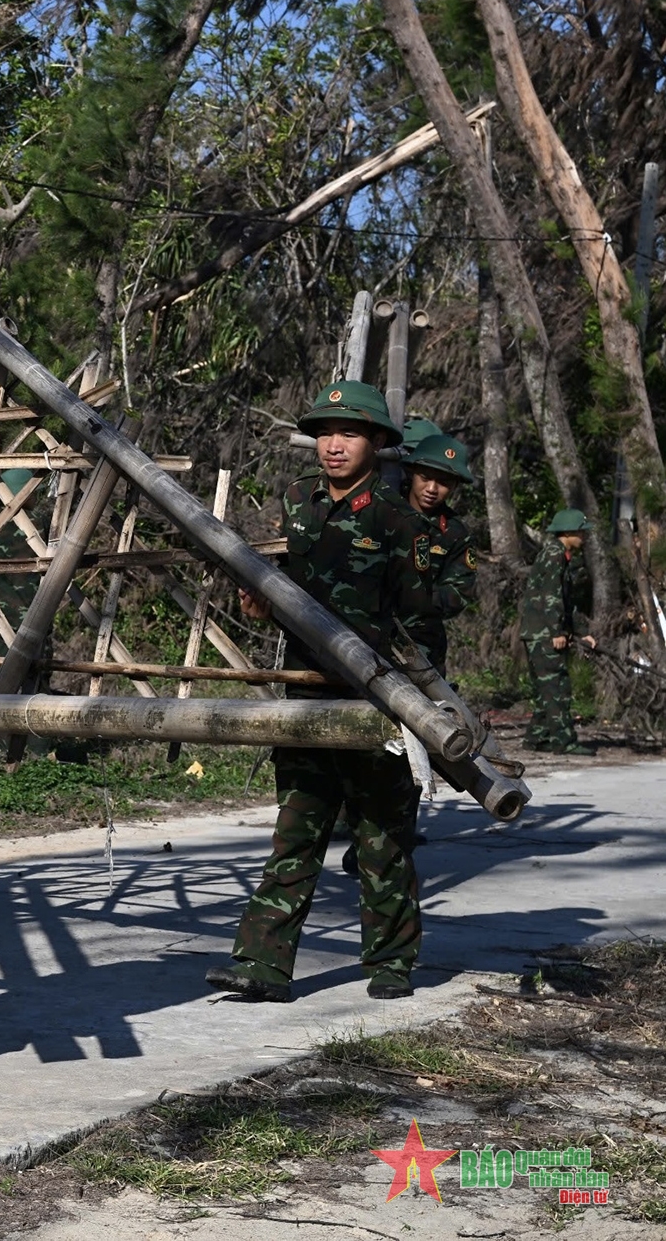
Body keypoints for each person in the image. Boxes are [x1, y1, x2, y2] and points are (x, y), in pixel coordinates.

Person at [208, 380, 433, 1005]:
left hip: (375, 702)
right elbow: (282, 592)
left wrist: (417, 708)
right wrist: (258, 606)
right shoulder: (298, 501)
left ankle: (391, 961)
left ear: (378, 442)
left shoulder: (397, 521)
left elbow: (422, 624)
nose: (334, 445)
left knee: (382, 839)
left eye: (350, 433)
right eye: (326, 433)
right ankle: (262, 965)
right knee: (297, 829)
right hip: (306, 695)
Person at [400, 429, 478, 672]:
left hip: (421, 644)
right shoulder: (383, 509)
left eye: (443, 482)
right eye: (425, 477)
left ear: (455, 486)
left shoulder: (455, 533)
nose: (432, 488)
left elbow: (459, 592)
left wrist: (412, 599)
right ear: (412, 472)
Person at [521, 509, 596, 754]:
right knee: (557, 687)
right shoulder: (554, 555)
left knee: (546, 689)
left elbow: (567, 601)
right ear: (568, 531)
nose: (584, 536)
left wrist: (582, 632)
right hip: (543, 634)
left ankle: (536, 738)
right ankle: (564, 742)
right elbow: (550, 597)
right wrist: (556, 632)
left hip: (540, 633)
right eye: (581, 531)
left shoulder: (559, 555)